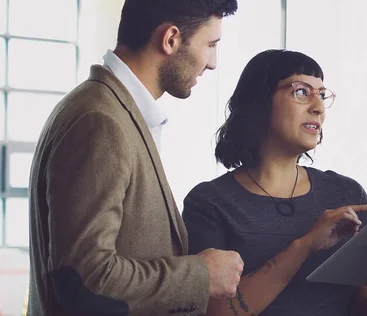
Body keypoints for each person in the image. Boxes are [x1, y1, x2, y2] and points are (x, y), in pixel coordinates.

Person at [182, 49, 367, 316]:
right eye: (302, 92)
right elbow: (216, 311)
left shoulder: (347, 194)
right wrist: (304, 245)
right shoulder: (209, 203)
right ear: (258, 101)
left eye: (322, 94)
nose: (318, 108)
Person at [28, 1, 242, 315]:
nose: (212, 63)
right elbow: (85, 280)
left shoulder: (111, 109)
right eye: (210, 44)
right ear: (170, 39)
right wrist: (200, 275)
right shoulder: (100, 120)